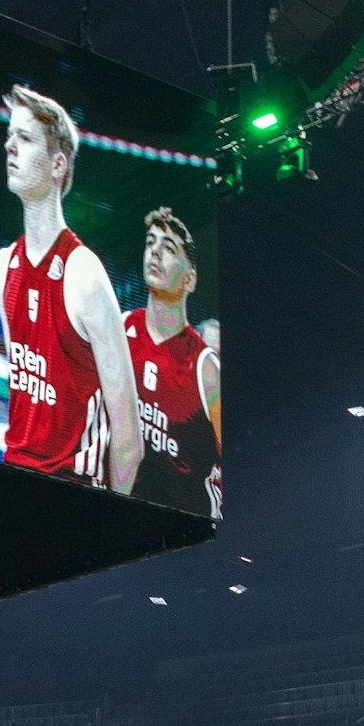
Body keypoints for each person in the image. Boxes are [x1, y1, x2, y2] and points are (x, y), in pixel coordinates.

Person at [0, 86, 141, 493]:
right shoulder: (3, 265)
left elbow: (129, 437)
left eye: (24, 138)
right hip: (15, 471)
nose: (9, 146)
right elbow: (21, 394)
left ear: (58, 164)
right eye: (9, 135)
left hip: (74, 486)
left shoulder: (84, 273)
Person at [123, 206, 222, 516]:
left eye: (168, 248)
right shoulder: (121, 329)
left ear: (190, 279)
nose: (154, 252)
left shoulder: (206, 368)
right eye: (150, 242)